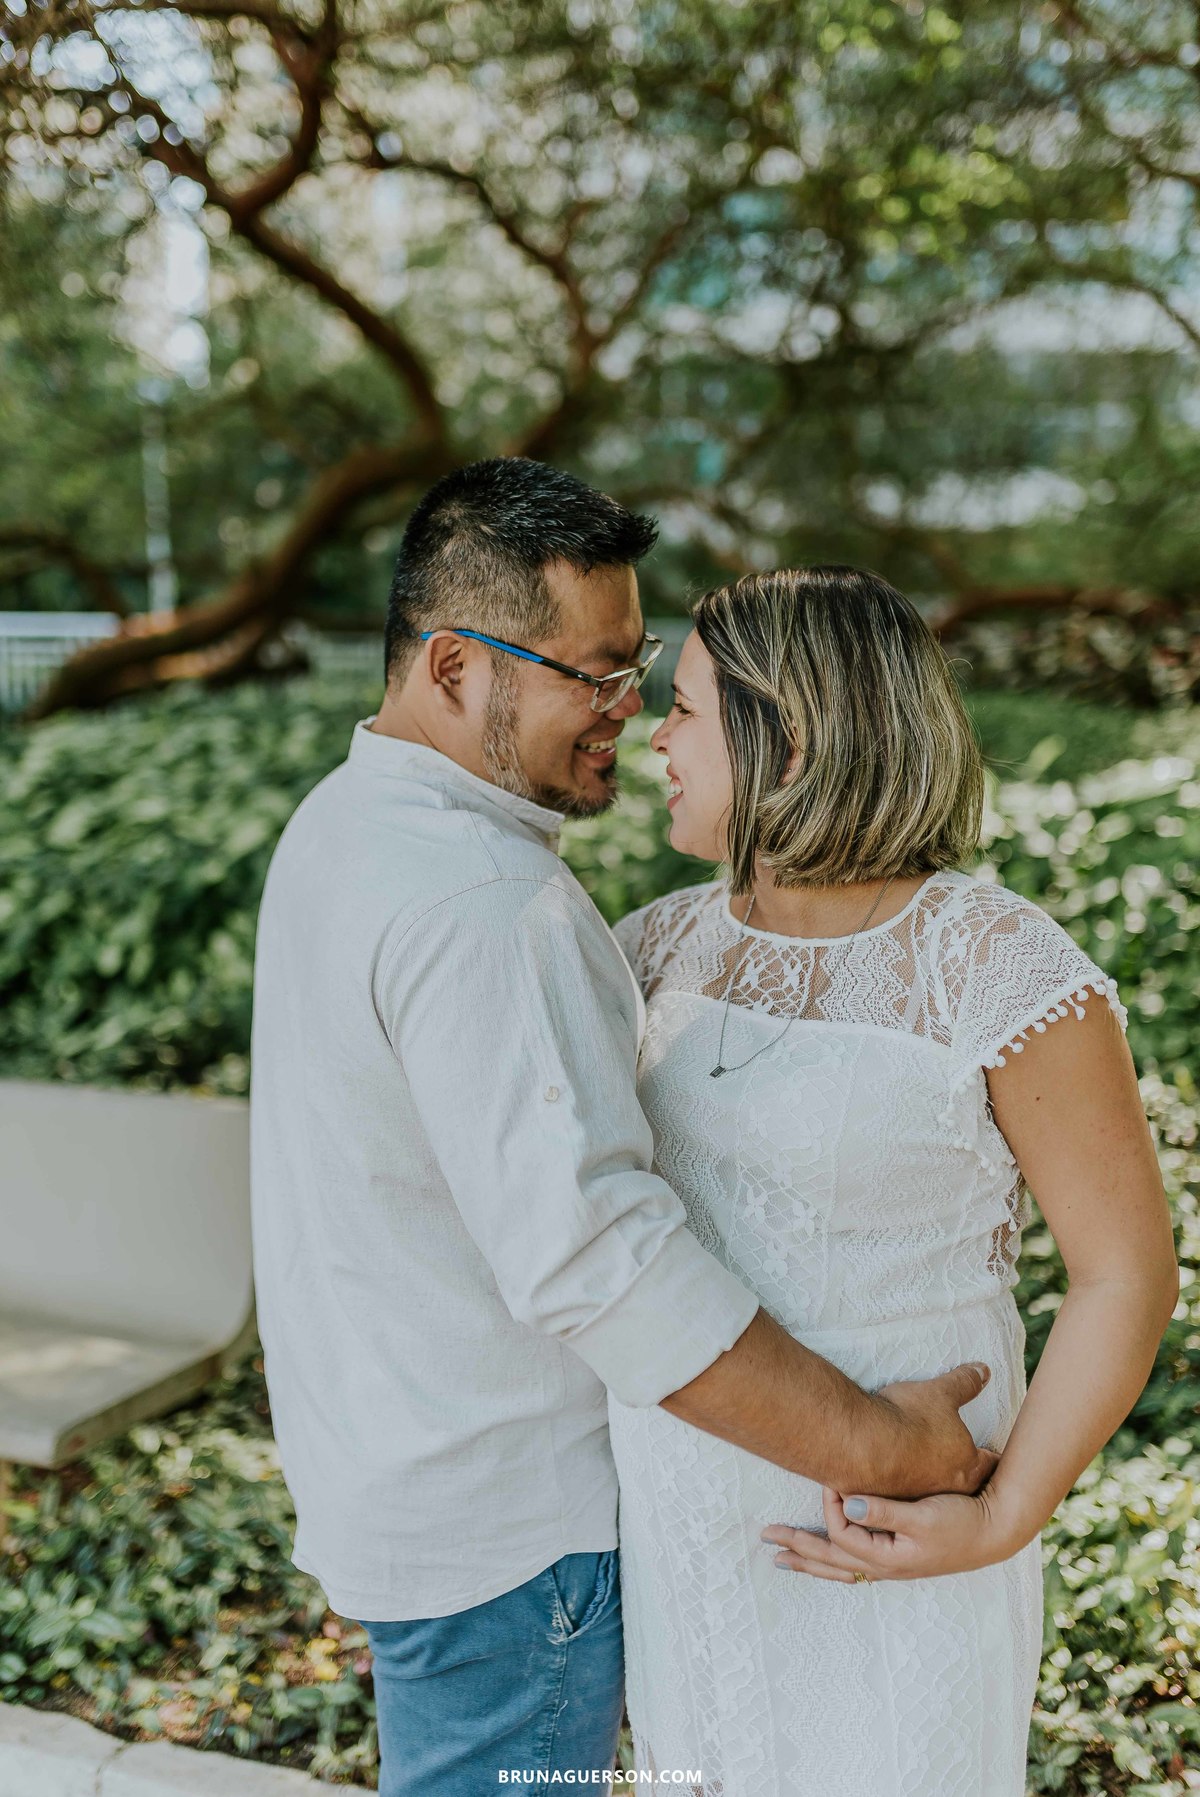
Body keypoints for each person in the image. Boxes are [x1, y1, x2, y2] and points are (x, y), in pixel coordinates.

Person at [249, 465, 994, 1797]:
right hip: (512, 1546)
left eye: (632, 663)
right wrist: (890, 1447)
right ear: (456, 665)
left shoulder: (344, 824)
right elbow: (605, 1268)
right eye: (590, 673)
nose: (630, 709)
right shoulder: (487, 903)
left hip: (411, 1490)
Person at [608, 565, 1179, 1797]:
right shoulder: (651, 948)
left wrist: (1005, 1513)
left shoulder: (996, 964)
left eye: (689, 708)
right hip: (687, 1500)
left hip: (906, 1526)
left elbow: (1125, 1276)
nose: (654, 733)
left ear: (793, 739)